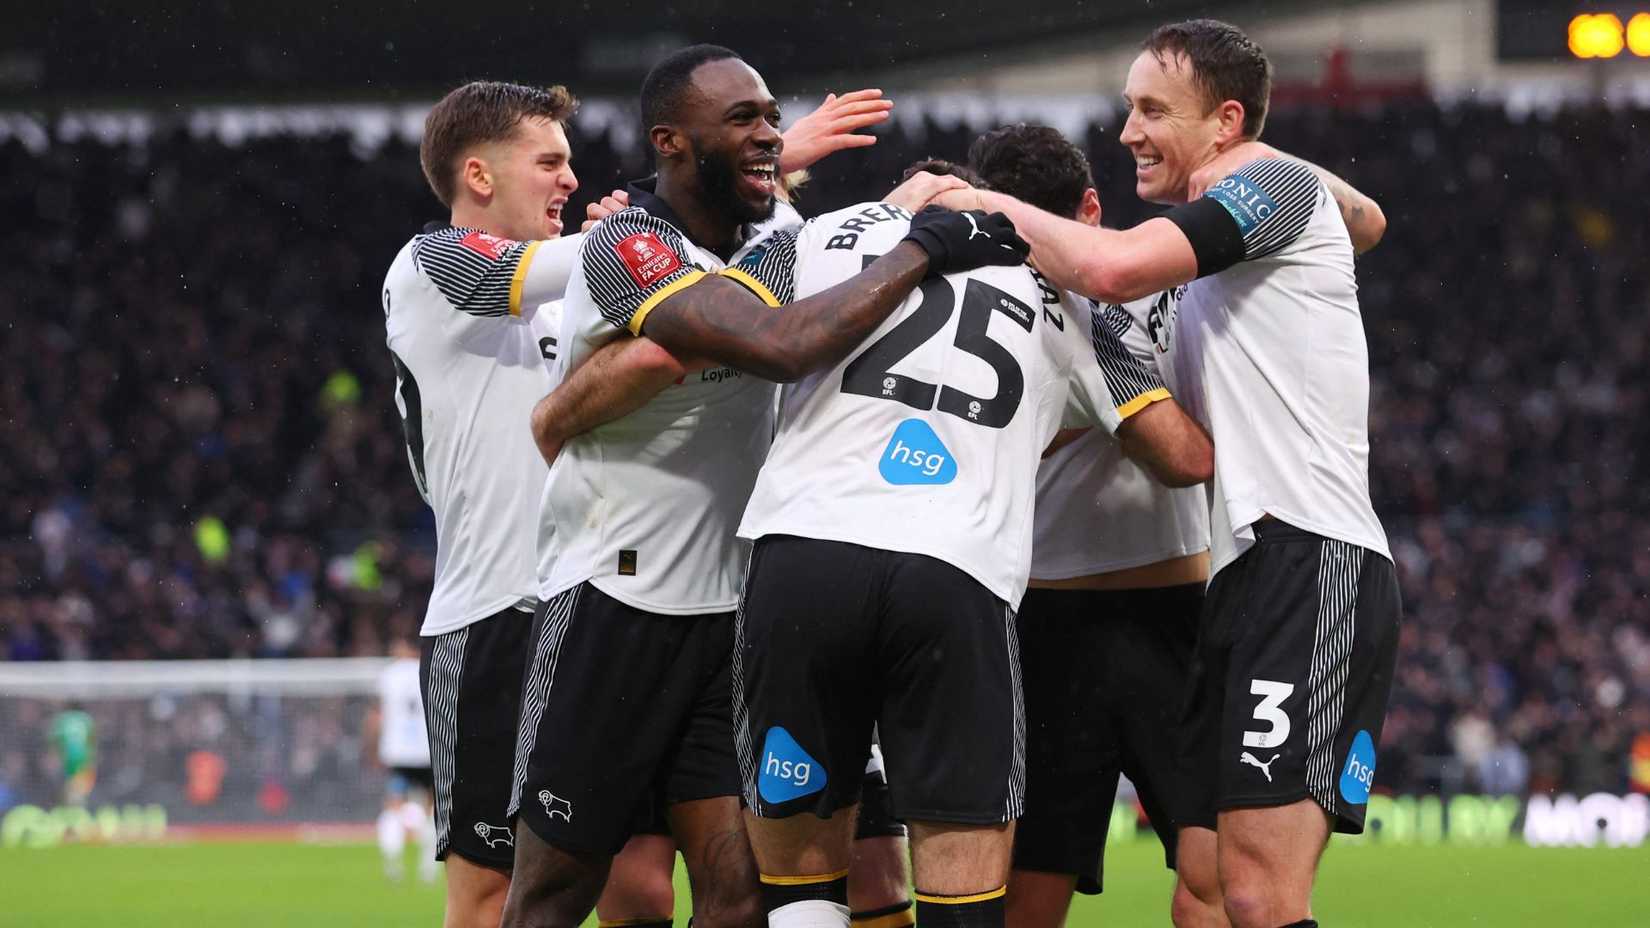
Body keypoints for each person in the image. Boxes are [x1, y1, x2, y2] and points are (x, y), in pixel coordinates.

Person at [503, 44, 1027, 928]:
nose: (769, 136)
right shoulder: (626, 243)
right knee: (556, 891)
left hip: (734, 617)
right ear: (670, 142)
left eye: (772, 119)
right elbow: (780, 343)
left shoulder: (779, 242)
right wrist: (923, 249)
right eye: (742, 120)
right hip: (610, 598)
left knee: (742, 897)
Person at [927, 20, 1401, 928]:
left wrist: (970, 203)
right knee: (1222, 888)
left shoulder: (1271, 184)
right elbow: (1369, 220)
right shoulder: (1245, 216)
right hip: (1248, 573)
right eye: (1128, 107)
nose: (1127, 131)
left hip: (1309, 561)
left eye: (1152, 109)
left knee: (1257, 896)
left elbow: (1109, 270)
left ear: (1224, 122)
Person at [714, 166, 1210, 928]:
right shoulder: (1066, 296)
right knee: (965, 888)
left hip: (801, 555)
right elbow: (1181, 458)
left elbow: (716, 318)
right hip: (954, 571)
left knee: (800, 887)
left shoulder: (815, 238)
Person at [371, 637, 439, 883]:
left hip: (398, 753)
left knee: (394, 807)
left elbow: (377, 715)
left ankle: (393, 864)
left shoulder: (390, 675)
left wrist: (373, 748)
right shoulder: (431, 669)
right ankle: (428, 867)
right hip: (427, 753)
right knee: (432, 809)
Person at [47, 702, 96, 806]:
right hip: (80, 764)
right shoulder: (87, 719)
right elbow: (92, 743)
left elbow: (53, 742)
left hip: (68, 763)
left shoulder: (61, 719)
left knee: (73, 788)